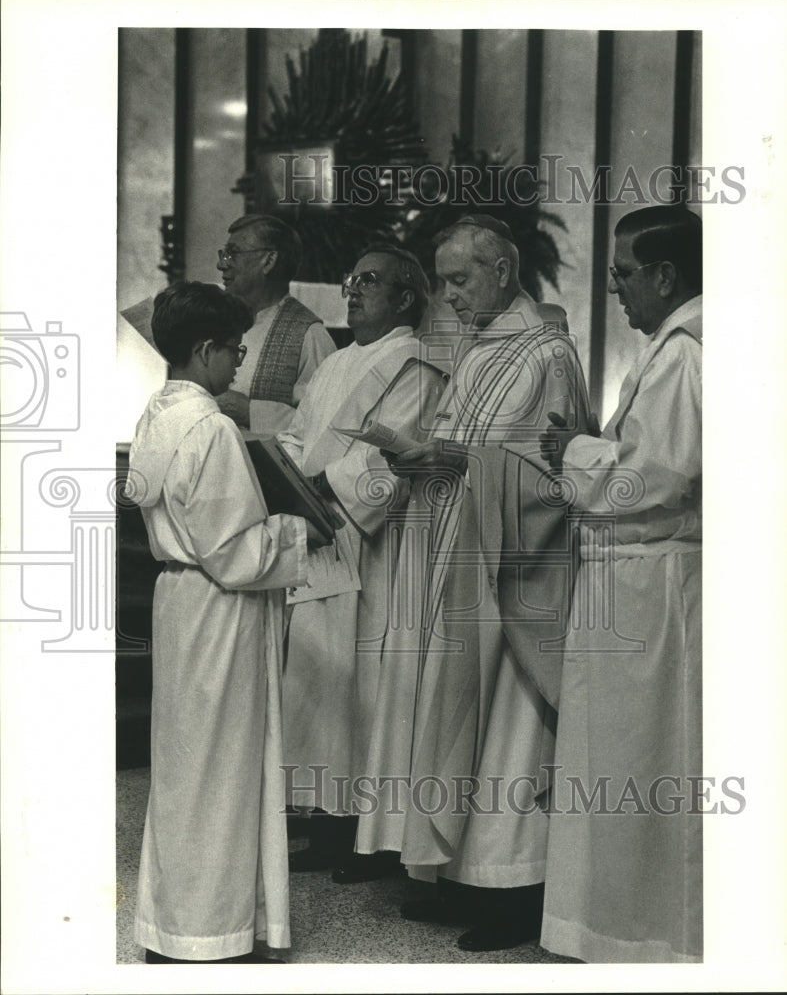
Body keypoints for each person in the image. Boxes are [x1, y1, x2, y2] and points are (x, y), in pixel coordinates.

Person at [367, 215, 590, 951]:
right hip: (459, 555)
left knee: (508, 735)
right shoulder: (480, 346)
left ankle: (513, 890)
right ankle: (458, 873)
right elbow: (469, 443)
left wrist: (458, 463)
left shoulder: (546, 352)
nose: (451, 296)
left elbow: (557, 471)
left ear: (500, 271)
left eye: (461, 280)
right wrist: (429, 455)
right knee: (459, 719)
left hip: (514, 572)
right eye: (446, 282)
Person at [127, 281, 327, 964]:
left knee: (189, 766)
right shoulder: (211, 425)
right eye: (235, 350)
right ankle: (210, 933)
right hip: (219, 608)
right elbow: (234, 552)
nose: (239, 362)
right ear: (205, 349)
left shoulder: (159, 412)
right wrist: (301, 528)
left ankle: (182, 923)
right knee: (222, 769)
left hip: (179, 602)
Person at [538, 205, 702, 962]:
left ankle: (640, 936)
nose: (614, 290)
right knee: (616, 761)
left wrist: (569, 450)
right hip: (634, 579)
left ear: (666, 274)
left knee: (637, 762)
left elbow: (650, 479)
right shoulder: (678, 345)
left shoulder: (685, 354)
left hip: (651, 581)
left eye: (623, 274)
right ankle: (610, 925)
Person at [278, 244, 447, 883]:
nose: (352, 290)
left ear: (405, 298)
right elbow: (299, 431)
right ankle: (323, 822)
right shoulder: (340, 360)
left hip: (375, 547)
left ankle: (361, 834)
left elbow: (395, 458)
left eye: (369, 281)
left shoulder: (415, 366)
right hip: (323, 536)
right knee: (320, 685)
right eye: (351, 280)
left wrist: (323, 486)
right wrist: (290, 472)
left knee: (365, 687)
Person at [216, 214, 335, 436]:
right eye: (224, 254)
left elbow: (323, 426)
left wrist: (251, 412)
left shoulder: (309, 336)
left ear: (269, 261)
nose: (221, 264)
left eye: (233, 253)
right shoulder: (216, 321)